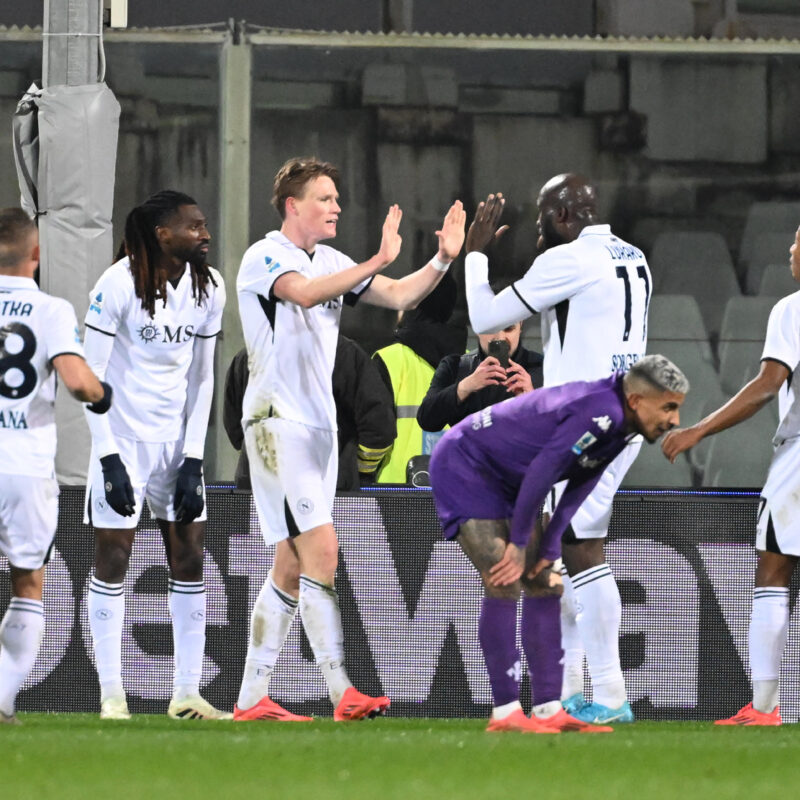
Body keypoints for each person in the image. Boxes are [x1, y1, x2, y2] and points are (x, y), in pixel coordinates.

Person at [235, 156, 465, 722]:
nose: (337, 206)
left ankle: (251, 698)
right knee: (323, 550)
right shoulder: (264, 256)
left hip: (315, 429)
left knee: (290, 564)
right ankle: (342, 691)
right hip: (276, 422)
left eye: (337, 198)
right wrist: (377, 258)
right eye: (325, 198)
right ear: (293, 205)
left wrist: (440, 259)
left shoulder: (332, 260)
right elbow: (306, 294)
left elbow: (398, 294)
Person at [463, 177, 653, 725]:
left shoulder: (570, 258)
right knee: (561, 550)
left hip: (589, 421)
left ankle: (613, 697)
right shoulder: (633, 256)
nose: (540, 230)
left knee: (580, 550)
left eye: (546, 218)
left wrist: (476, 258)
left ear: (566, 215)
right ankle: (570, 689)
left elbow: (486, 319)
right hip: (620, 410)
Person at [430, 355, 687, 733]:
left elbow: (582, 478)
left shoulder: (623, 423)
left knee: (547, 580)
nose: (674, 421)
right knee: (504, 576)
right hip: (467, 463)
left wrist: (550, 545)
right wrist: (518, 543)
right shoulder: (599, 412)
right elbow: (543, 472)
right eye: (669, 407)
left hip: (508, 474)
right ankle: (505, 713)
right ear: (636, 401)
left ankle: (549, 709)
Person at [83, 190, 228, 721]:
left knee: (189, 558)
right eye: (195, 226)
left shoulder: (209, 288)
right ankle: (112, 697)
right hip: (122, 440)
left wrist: (193, 457)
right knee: (114, 559)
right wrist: (107, 458)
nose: (205, 234)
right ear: (164, 234)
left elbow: (204, 376)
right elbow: (90, 379)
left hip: (175, 445)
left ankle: (186, 694)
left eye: (204, 224)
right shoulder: (117, 284)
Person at [662, 226, 800, 727]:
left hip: (799, 459)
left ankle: (764, 708)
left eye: (798, 240)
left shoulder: (792, 309)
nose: (789, 248)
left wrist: (699, 428)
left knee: (773, 569)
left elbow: (768, 384)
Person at [0, 208, 111, 724]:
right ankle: (0, 700)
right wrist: (102, 393)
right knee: (27, 584)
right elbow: (79, 382)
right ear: (36, 254)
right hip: (23, 466)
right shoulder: (49, 310)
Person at [223, 336, 396, 491]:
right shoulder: (344, 354)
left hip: (261, 490)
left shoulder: (249, 357)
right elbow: (379, 426)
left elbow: (235, 426)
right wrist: (355, 470)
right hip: (329, 491)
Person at [373, 270, 465, 482]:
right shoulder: (471, 363)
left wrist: (362, 474)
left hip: (396, 494)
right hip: (456, 492)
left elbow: (374, 431)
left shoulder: (390, 360)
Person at [416, 320, 542, 432]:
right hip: (468, 457)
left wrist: (531, 401)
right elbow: (427, 420)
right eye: (491, 328)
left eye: (509, 328)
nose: (500, 338)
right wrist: (464, 387)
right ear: (477, 327)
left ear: (521, 326)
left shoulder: (544, 368)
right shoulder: (455, 366)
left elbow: (557, 433)